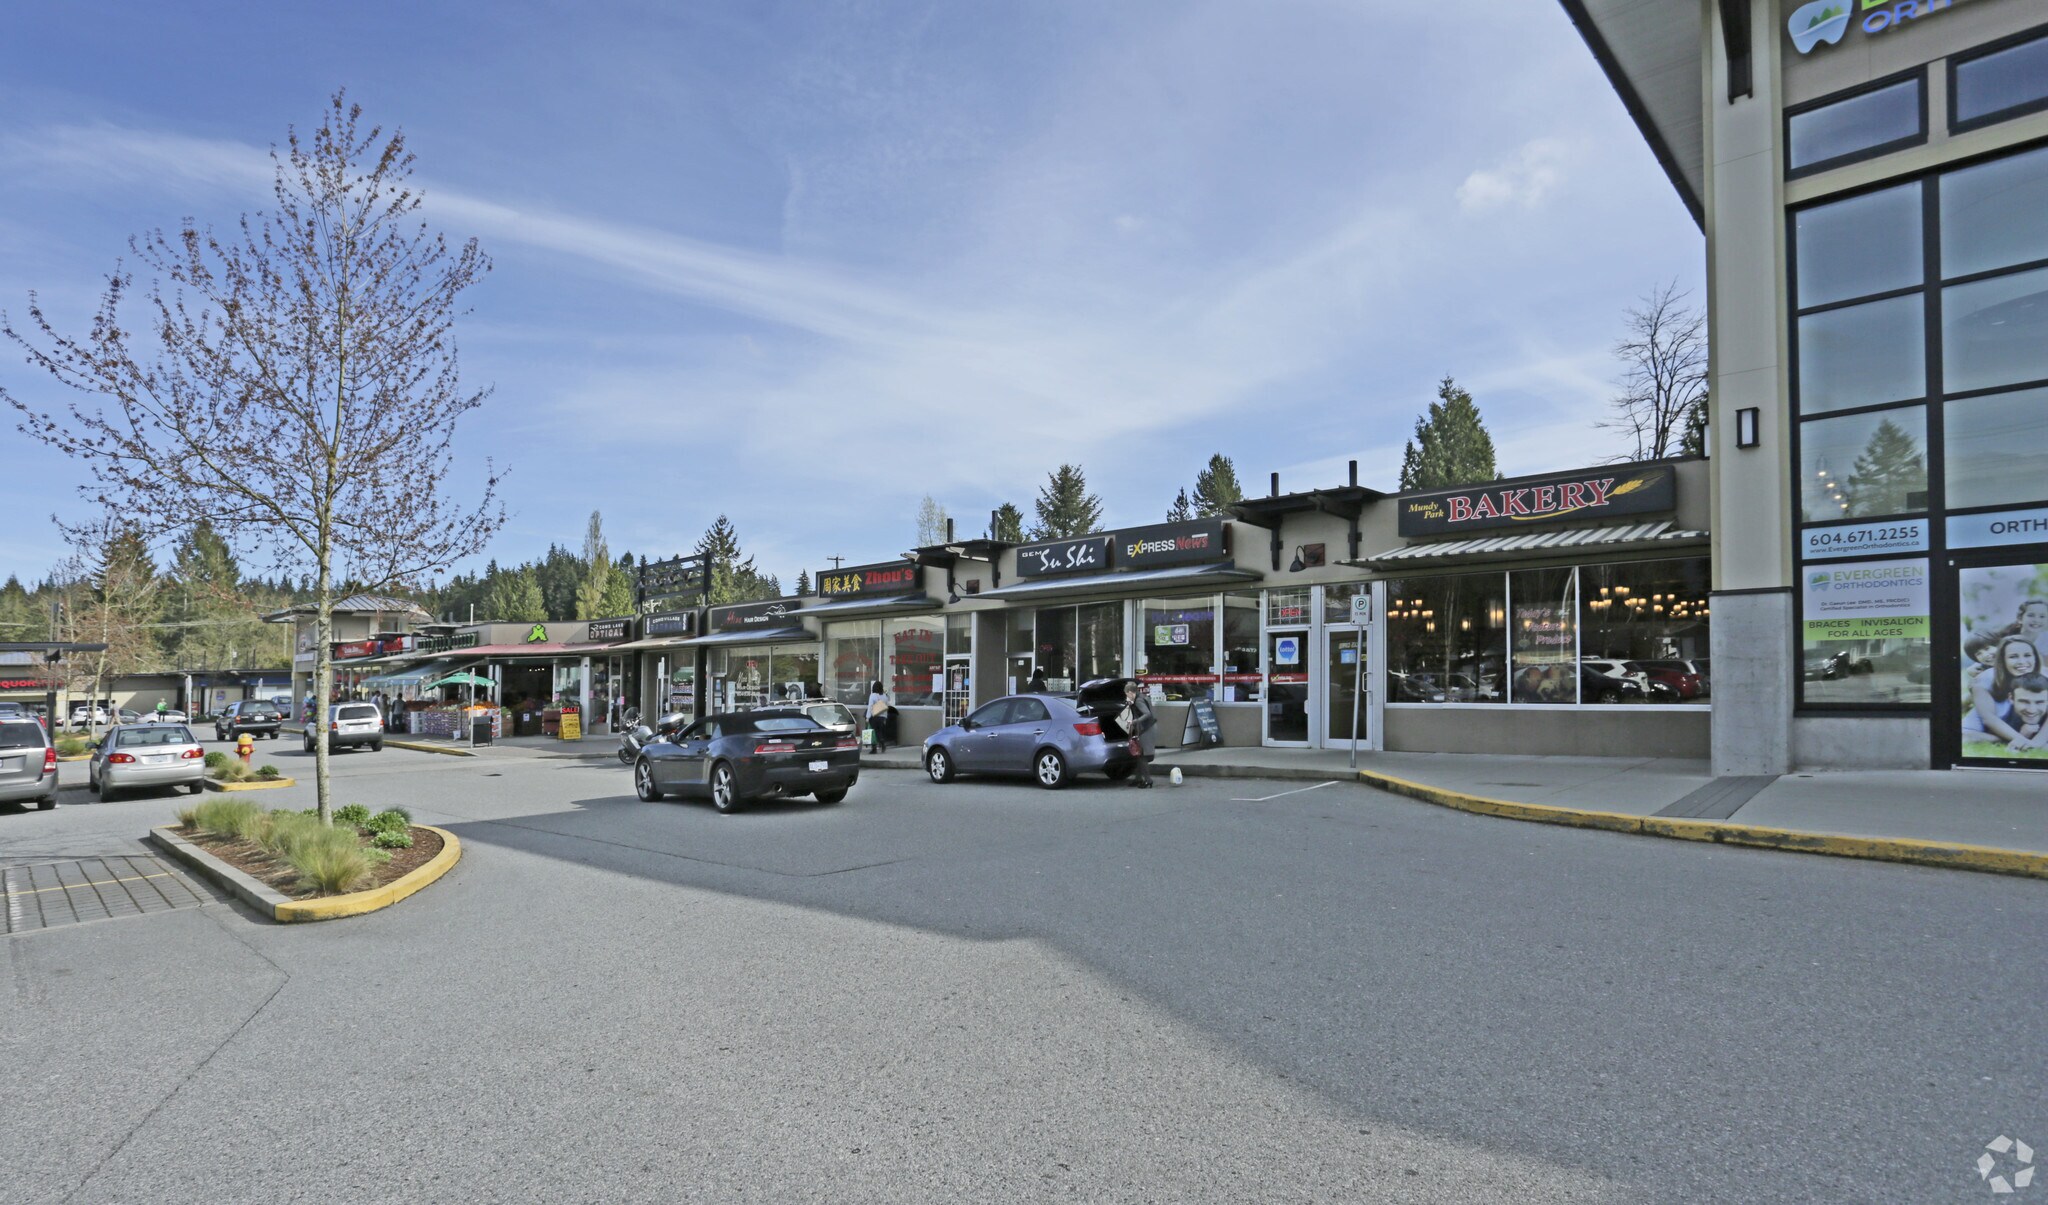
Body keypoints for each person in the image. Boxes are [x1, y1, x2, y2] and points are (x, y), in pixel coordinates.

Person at [1964, 635, 2041, 745]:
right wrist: (2023, 741)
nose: (1985, 655)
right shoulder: (1984, 677)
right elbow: (1988, 718)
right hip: (1983, 725)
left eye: (1987, 649)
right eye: (1978, 654)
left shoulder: (2037, 677)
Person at [1120, 679, 1157, 787]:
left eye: (1127, 694)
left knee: (1142, 755)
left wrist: (1135, 721)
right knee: (1139, 754)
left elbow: (1147, 714)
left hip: (1147, 729)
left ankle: (1148, 780)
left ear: (1131, 692)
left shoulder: (1138, 701)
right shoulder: (1142, 697)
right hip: (1149, 727)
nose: (1127, 696)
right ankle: (1138, 778)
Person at [1997, 673, 2048, 752]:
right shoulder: (2003, 721)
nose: (2032, 710)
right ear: (2011, 698)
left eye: (2039, 702)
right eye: (2024, 702)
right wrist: (2022, 736)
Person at [866, 680, 890, 753]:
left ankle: (874, 749)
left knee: (873, 732)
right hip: (882, 717)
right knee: (879, 732)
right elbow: (886, 706)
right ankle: (882, 742)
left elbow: (870, 706)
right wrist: (885, 717)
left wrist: (868, 717)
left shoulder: (873, 695)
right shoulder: (885, 696)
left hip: (874, 717)